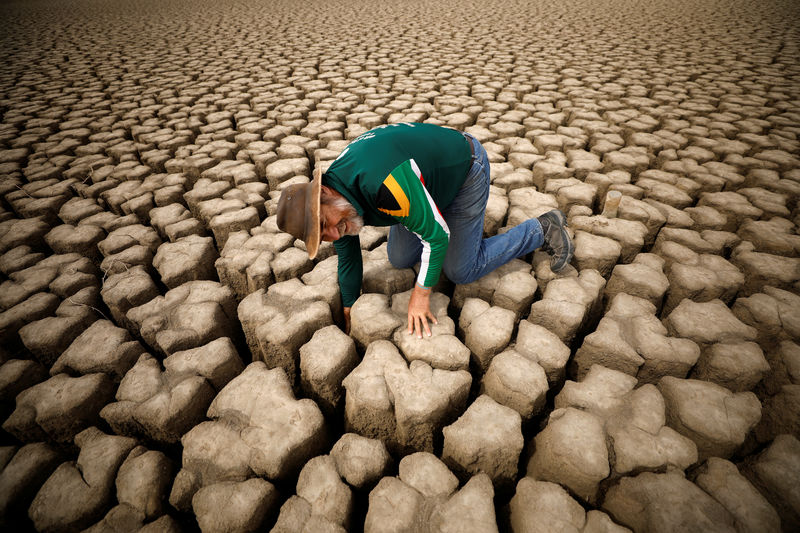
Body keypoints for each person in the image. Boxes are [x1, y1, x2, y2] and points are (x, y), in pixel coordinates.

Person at [277, 122, 573, 338]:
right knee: (399, 257)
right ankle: (426, 210)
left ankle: (541, 229)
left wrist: (420, 294)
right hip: (418, 182)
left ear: (323, 192)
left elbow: (437, 236)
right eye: (320, 236)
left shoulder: (384, 186)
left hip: (464, 169)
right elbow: (349, 256)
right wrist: (349, 305)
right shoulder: (336, 203)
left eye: (323, 227)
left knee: (461, 270)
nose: (332, 235)